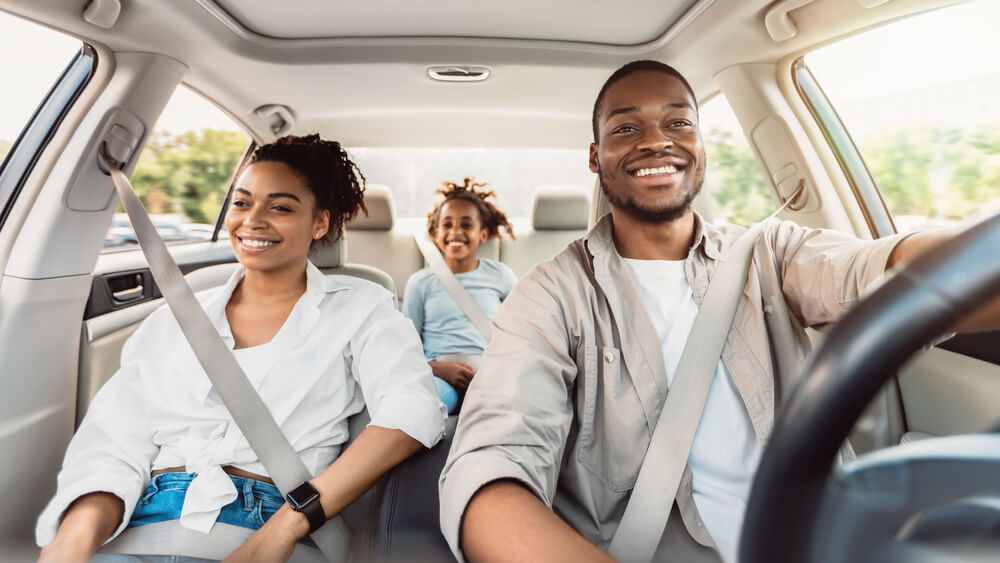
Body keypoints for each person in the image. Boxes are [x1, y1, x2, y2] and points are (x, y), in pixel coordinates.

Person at [438, 60, 1000, 563]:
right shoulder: (550, 294)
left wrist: (975, 257)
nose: (656, 141)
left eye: (679, 122)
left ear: (702, 144)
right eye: (626, 127)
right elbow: (492, 467)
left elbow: (880, 269)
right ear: (595, 156)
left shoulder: (770, 253)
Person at [37, 135, 446, 562]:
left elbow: (412, 409)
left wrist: (284, 527)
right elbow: (115, 442)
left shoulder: (362, 307)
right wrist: (74, 539)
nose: (253, 220)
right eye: (241, 203)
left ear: (320, 223)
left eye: (281, 207)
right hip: (143, 524)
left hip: (277, 518)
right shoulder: (174, 318)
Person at [402, 178, 518, 414]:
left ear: (483, 234)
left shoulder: (502, 276)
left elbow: (520, 337)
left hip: (490, 374)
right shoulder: (420, 283)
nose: (455, 231)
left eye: (466, 225)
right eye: (447, 225)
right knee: (426, 407)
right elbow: (405, 349)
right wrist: (435, 369)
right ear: (435, 234)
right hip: (438, 374)